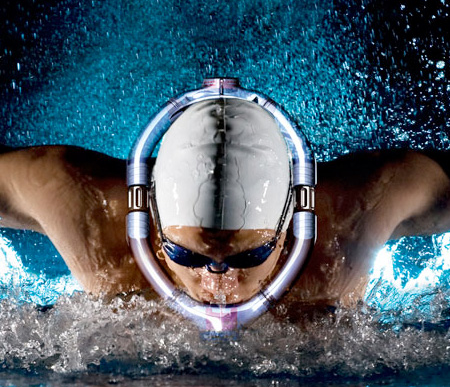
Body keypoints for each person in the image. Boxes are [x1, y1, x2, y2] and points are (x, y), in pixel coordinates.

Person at [0, 106, 449, 322]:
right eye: (189, 255)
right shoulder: (90, 213)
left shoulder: (353, 215)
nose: (218, 280)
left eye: (248, 257)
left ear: (291, 231)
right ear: (152, 229)